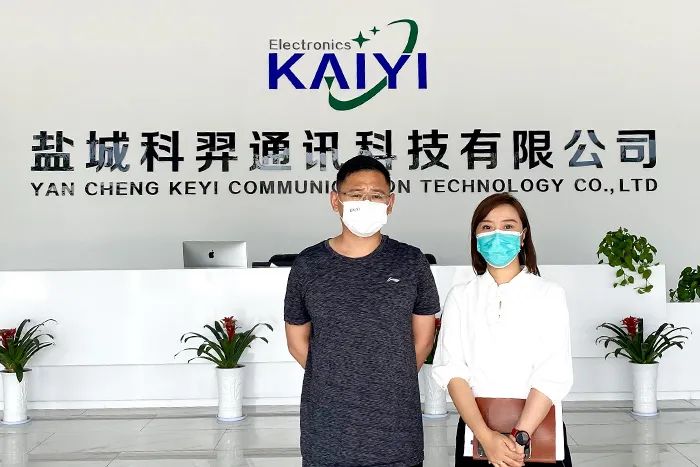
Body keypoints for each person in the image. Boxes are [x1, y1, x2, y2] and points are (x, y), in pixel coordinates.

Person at [284, 155, 440, 467]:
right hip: (327, 431)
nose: (366, 202)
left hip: (397, 430)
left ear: (390, 203)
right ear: (335, 200)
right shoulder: (308, 265)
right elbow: (296, 341)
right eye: (356, 195)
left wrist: (388, 377)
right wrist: (336, 379)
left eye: (376, 195)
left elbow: (424, 339)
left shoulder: (411, 262)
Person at [432, 193, 574, 467]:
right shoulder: (461, 296)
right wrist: (486, 437)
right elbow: (452, 370)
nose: (497, 234)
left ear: (523, 236)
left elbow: (552, 373)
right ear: (476, 237)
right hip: (477, 434)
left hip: (537, 433)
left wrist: (519, 437)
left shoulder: (549, 294)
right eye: (487, 227)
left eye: (508, 226)